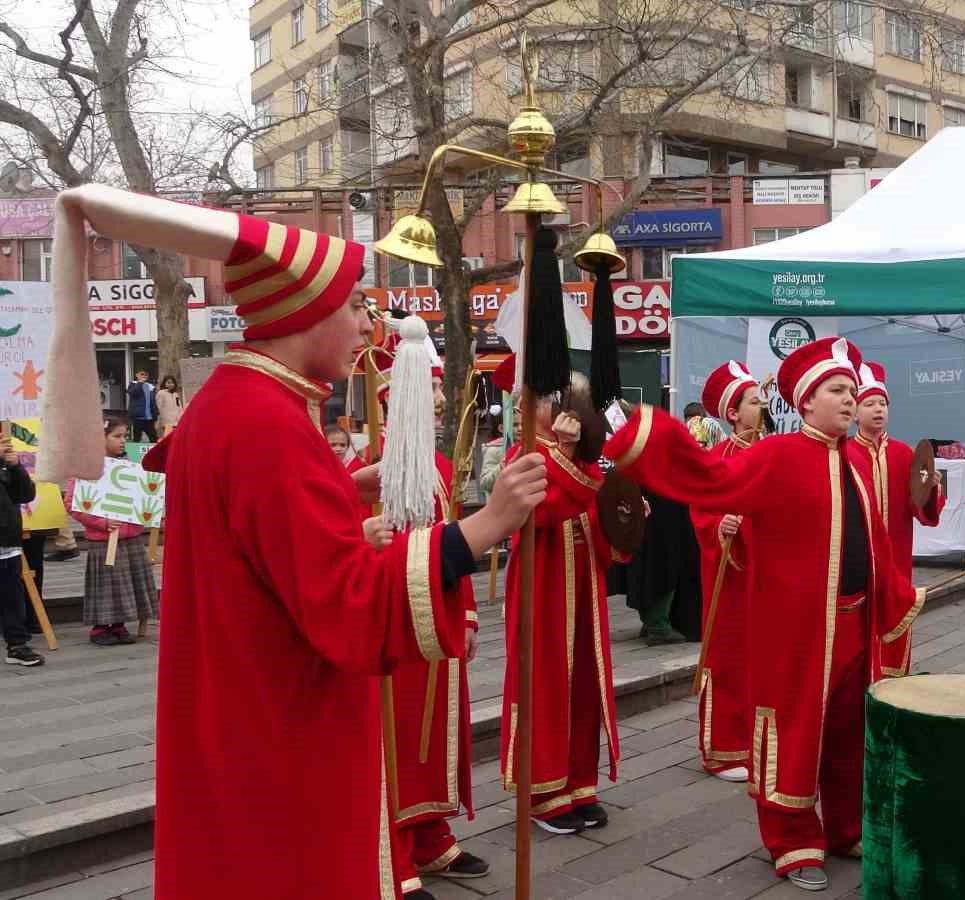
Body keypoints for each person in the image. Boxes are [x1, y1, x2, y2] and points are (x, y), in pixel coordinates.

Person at [38, 184, 550, 899]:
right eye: (353, 306)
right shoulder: (269, 423)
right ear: (303, 310)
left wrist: (342, 492)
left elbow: (250, 537)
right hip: (280, 724)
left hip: (237, 710)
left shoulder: (232, 403)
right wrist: (485, 524)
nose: (367, 326)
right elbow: (347, 600)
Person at [603, 337, 921, 891]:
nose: (850, 400)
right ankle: (793, 840)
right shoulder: (775, 456)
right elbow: (709, 482)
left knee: (850, 732)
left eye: (852, 390)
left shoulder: (857, 461)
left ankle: (846, 828)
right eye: (838, 390)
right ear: (805, 402)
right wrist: (645, 436)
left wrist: (894, 595)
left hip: (854, 622)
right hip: (794, 629)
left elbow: (873, 547)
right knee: (795, 731)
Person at [364, 317, 491, 898]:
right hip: (392, 622)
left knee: (436, 734)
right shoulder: (365, 466)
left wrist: (464, 614)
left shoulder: (439, 468)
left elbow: (456, 543)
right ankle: (395, 849)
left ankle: (431, 834)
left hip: (435, 621)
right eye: (434, 388)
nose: (443, 400)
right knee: (396, 735)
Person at [498, 376, 625, 837]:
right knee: (545, 684)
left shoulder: (581, 458)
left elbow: (596, 519)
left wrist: (623, 519)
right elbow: (544, 511)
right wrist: (567, 458)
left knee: (585, 683)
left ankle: (579, 783)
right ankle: (544, 792)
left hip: (584, 589)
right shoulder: (524, 457)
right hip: (543, 587)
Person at [687, 361, 763, 782]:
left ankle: (760, 741)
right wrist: (720, 526)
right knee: (729, 657)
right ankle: (722, 749)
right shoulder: (715, 460)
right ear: (733, 412)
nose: (762, 406)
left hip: (768, 575)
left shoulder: (772, 453)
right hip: (729, 575)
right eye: (754, 401)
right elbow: (700, 511)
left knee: (764, 660)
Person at [848, 360, 944, 673]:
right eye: (869, 403)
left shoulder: (905, 455)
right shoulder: (844, 452)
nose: (878, 410)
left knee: (895, 622)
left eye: (883, 404)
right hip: (857, 560)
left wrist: (931, 491)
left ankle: (894, 686)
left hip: (897, 558)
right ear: (855, 412)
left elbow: (923, 510)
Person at [70, 416, 159, 647]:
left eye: (125, 437)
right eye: (117, 436)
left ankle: (118, 624)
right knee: (107, 583)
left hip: (130, 537)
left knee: (126, 582)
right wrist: (101, 522)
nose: (123, 441)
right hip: (104, 539)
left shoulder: (131, 466)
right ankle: (101, 627)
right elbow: (74, 503)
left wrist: (149, 508)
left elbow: (141, 497)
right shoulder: (87, 469)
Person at [0, 425, 39, 668]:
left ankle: (17, 644)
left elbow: (25, 494)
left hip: (7, 540)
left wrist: (14, 466)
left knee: (11, 596)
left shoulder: (5, 463)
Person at [125, 370, 158, 442]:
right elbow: (133, 393)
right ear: (137, 375)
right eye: (142, 374)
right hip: (138, 417)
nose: (144, 376)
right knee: (137, 438)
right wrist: (140, 382)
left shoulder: (150, 387)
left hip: (149, 418)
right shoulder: (133, 384)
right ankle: (134, 453)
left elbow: (153, 402)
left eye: (146, 374)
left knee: (154, 438)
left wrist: (155, 415)